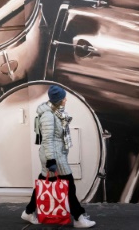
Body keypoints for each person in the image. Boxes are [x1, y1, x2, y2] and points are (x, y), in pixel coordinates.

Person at [21, 85, 96, 228]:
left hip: (55, 154)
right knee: (69, 186)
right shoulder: (49, 115)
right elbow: (47, 140)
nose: (66, 99)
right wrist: (51, 160)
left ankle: (28, 212)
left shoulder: (56, 112)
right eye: (63, 97)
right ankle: (79, 218)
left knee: (44, 182)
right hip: (54, 155)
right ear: (58, 100)